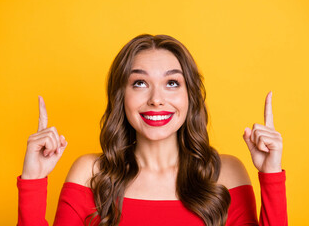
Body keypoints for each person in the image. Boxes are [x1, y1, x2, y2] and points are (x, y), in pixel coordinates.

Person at [17, 34, 287, 226]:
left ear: (190, 96)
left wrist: (271, 176)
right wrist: (33, 180)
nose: (156, 99)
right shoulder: (90, 174)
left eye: (172, 83)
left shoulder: (226, 173)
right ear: (120, 96)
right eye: (139, 83)